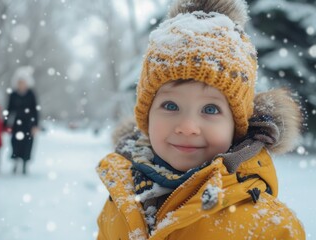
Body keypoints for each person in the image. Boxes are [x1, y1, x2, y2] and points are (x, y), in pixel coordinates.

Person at [96, 0, 305, 239]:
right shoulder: (120, 197)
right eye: (170, 105)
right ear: (146, 115)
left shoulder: (267, 226)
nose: (187, 127)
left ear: (236, 125)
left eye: (210, 109)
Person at [4, 67, 39, 175]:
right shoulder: (13, 94)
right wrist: (5, 123)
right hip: (17, 124)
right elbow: (9, 109)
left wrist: (35, 125)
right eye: (19, 82)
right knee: (15, 144)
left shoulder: (31, 94)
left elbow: (35, 110)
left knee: (27, 145)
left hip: (29, 124)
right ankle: (15, 163)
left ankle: (24, 164)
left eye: (23, 82)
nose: (21, 84)